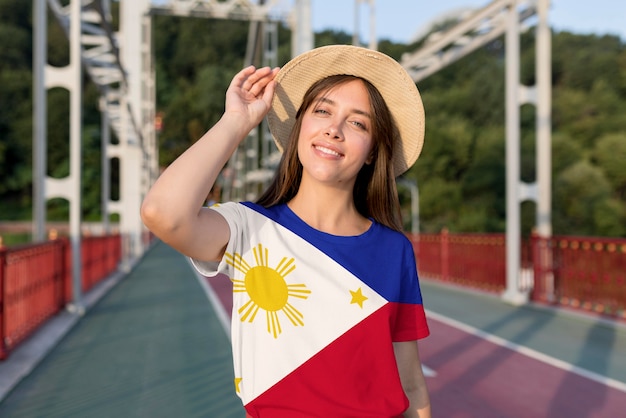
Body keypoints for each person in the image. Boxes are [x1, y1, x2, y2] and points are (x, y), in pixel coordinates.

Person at [141, 44, 431, 417]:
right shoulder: (249, 228)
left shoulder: (395, 250)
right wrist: (237, 121)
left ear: (373, 151)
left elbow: (410, 383)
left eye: (358, 123)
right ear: (299, 128)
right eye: (322, 111)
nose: (334, 129)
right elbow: (162, 213)